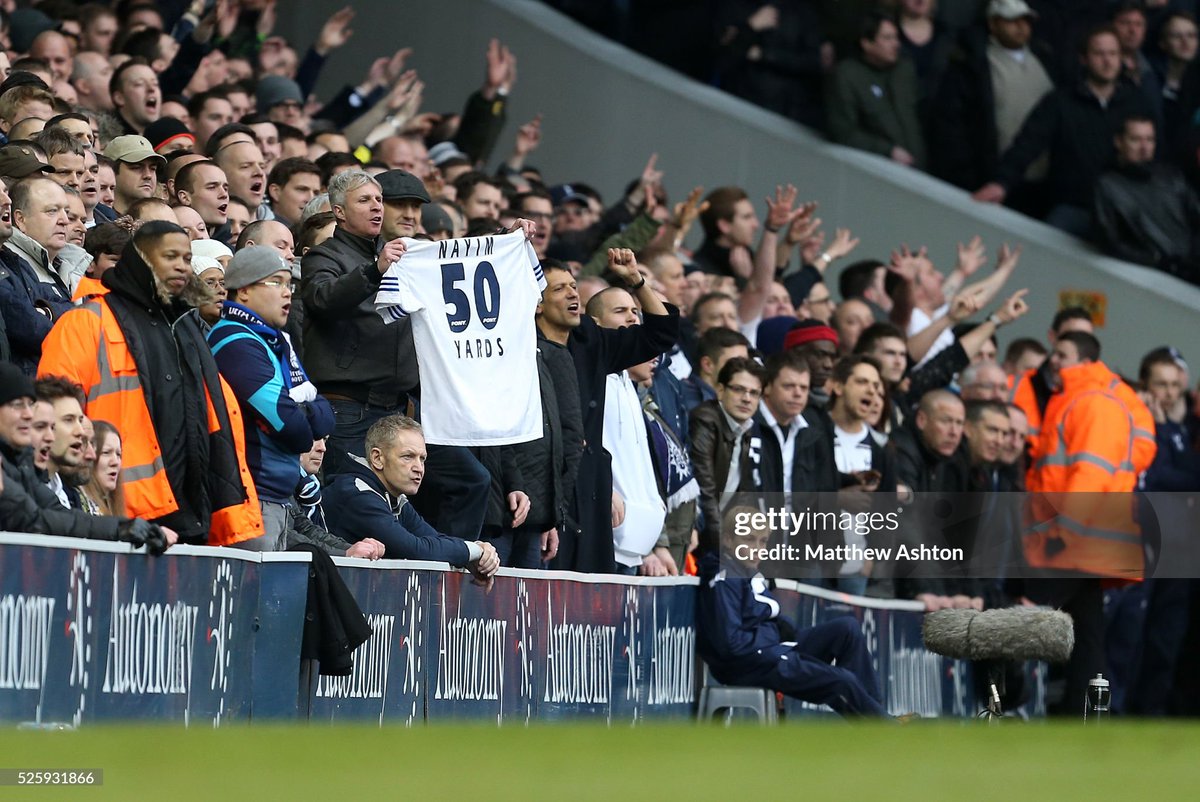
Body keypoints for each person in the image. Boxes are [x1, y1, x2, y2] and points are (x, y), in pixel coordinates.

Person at [38, 220, 262, 546]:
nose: (181, 266)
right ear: (140, 258)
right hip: (120, 510)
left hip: (193, 510)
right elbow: (52, 415)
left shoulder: (189, 327)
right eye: (169, 256)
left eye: (186, 258)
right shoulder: (86, 322)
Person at [300, 168, 491, 541]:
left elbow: (462, 264)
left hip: (400, 411)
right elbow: (323, 298)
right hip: (348, 411)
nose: (376, 207)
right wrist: (375, 270)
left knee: (471, 480)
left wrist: (507, 239)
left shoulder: (406, 256)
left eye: (378, 200)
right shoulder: (324, 256)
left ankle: (448, 567)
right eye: (365, 200)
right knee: (352, 506)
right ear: (339, 212)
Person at [1024, 331, 1156, 714]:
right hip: (1088, 543)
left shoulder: (1092, 402)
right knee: (1087, 636)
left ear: (1084, 360)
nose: (1053, 360)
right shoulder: (1087, 399)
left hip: (1073, 542)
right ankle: (1083, 719)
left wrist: (1062, 533)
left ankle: (999, 705)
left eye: (1061, 354)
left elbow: (1090, 475)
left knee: (1023, 621)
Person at [535, 252, 679, 573]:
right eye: (560, 289)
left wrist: (636, 281)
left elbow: (662, 333)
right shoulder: (520, 346)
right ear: (536, 302)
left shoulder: (591, 340)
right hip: (543, 486)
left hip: (589, 489)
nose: (573, 293)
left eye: (574, 286)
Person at [696, 505, 888, 717]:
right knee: (842, 681)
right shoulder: (724, 578)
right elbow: (730, 645)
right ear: (728, 540)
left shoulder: (745, 570)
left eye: (763, 541)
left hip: (770, 650)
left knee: (847, 629)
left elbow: (759, 619)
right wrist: (775, 637)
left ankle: (877, 714)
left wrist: (780, 628)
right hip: (751, 664)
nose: (756, 548)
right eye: (748, 539)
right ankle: (884, 729)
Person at [208, 246, 335, 551]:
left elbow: (326, 418)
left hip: (276, 498)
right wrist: (303, 411)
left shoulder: (275, 341)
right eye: (275, 282)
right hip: (251, 497)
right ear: (244, 292)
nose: (287, 293)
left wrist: (302, 410)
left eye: (289, 285)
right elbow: (293, 427)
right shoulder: (234, 341)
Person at [973, 25, 1155, 236]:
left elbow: (1156, 157)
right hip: (1072, 206)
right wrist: (1001, 183)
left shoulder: (1137, 103)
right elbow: (1028, 143)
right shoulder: (1060, 101)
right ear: (1084, 59)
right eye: (1099, 53)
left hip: (1123, 210)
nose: (1107, 61)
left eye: (1113, 53)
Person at [0, 361, 172, 551]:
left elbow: (64, 517)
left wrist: (123, 527)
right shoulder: (18, 464)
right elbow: (33, 520)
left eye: (29, 405)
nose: (27, 414)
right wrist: (119, 529)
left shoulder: (21, 466)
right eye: (17, 405)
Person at [322, 414, 500, 578]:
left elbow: (434, 538)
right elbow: (416, 550)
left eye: (422, 459)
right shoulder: (358, 494)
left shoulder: (392, 496)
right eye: (408, 457)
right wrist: (474, 550)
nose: (419, 468)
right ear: (377, 458)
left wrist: (478, 549)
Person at [1092, 115, 1200, 281]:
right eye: (1136, 139)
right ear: (1119, 142)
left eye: (1150, 140)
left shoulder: (1172, 176)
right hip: (1152, 275)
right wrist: (1156, 260)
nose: (1144, 147)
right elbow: (1110, 242)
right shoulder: (1107, 186)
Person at [826, 13, 926, 169]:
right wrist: (888, 151)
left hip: (917, 169)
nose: (896, 44)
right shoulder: (847, 75)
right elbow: (843, 131)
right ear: (867, 44)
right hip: (874, 169)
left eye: (896, 37)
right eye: (887, 38)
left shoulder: (904, 70)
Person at [689, 357, 766, 553]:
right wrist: (722, 548)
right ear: (721, 390)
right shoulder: (706, 420)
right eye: (739, 389)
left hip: (716, 532)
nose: (747, 398)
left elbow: (742, 495)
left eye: (754, 393)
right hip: (695, 531)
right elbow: (705, 490)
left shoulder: (746, 428)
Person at [82, 420, 123, 517]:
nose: (115, 462)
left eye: (118, 454)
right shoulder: (80, 505)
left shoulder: (112, 505)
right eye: (106, 453)